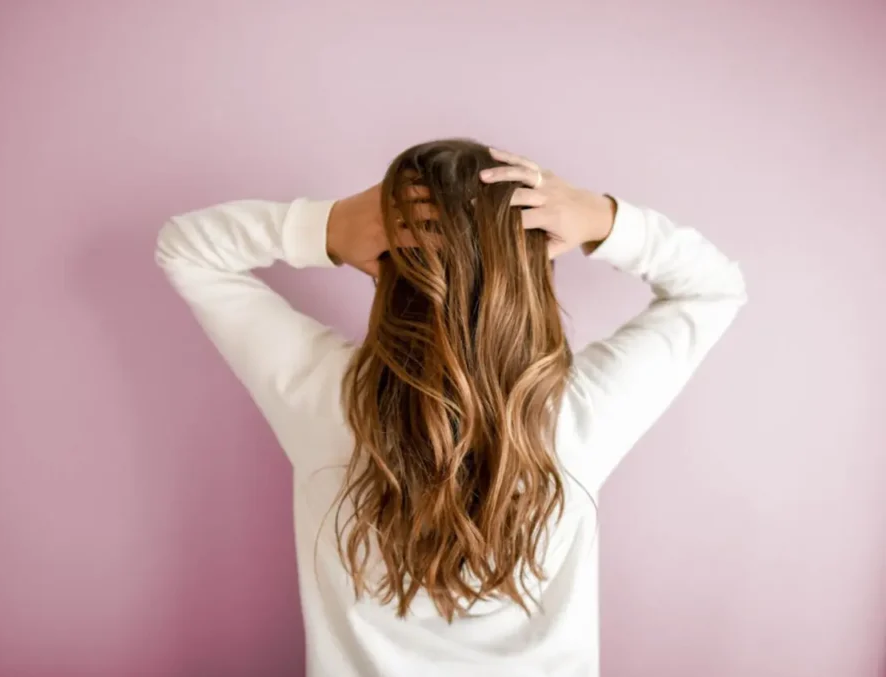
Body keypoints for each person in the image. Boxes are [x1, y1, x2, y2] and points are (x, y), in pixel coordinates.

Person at [155, 139, 747, 677]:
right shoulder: (577, 415)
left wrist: (328, 226)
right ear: (535, 270)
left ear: (386, 261)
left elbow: (186, 249)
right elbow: (714, 287)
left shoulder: (328, 399)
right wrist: (601, 219)